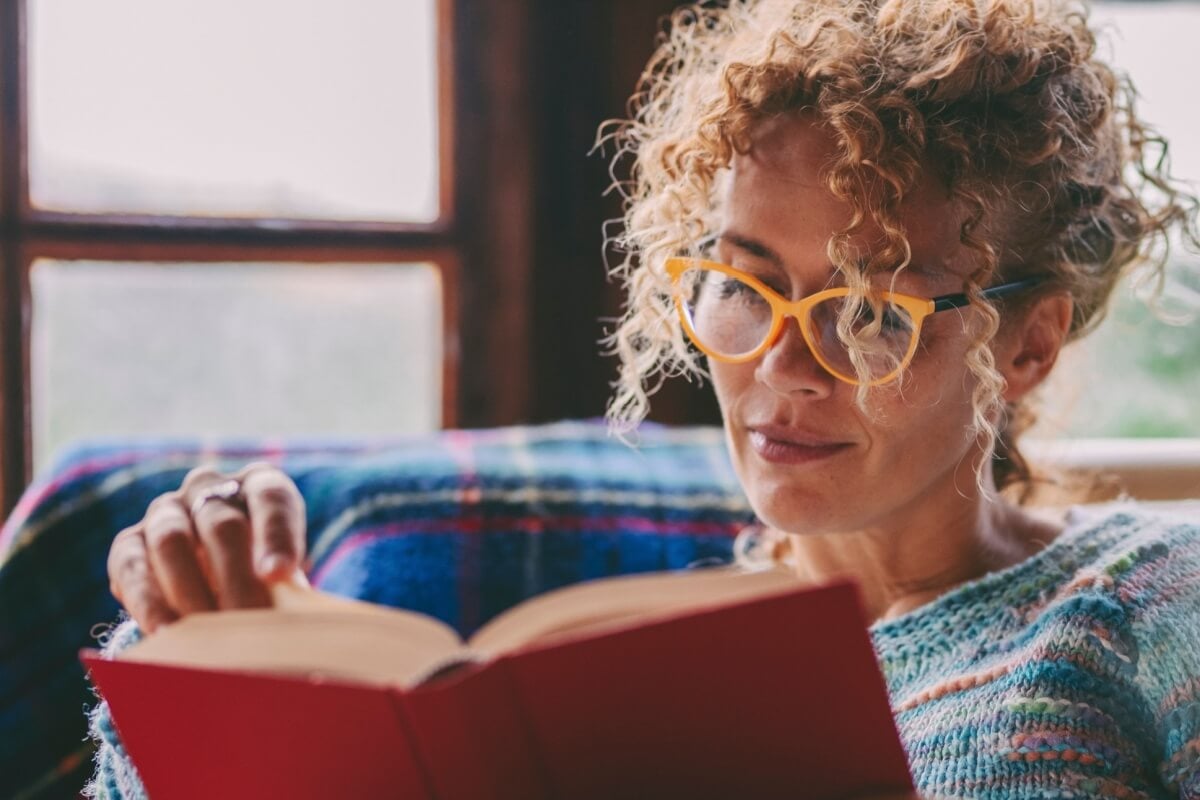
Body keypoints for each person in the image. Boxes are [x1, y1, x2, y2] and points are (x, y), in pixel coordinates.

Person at [95, 0, 1199, 797]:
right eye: (745, 285)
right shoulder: (626, 675)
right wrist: (197, 658)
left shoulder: (1154, 601)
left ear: (1029, 342)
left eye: (868, 312)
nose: (783, 366)